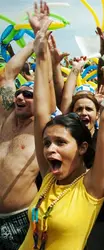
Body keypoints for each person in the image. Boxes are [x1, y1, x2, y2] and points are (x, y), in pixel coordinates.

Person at [19, 11, 104, 249]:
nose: (50, 149)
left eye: (61, 143)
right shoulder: (49, 178)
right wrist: (40, 48)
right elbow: (41, 112)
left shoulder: (91, 186)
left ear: (83, 147)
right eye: (47, 143)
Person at [0, 41, 39, 250]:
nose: (20, 97)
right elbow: (8, 75)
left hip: (19, 219)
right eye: (19, 93)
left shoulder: (42, 127)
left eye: (29, 94)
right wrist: (32, 43)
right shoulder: (6, 114)